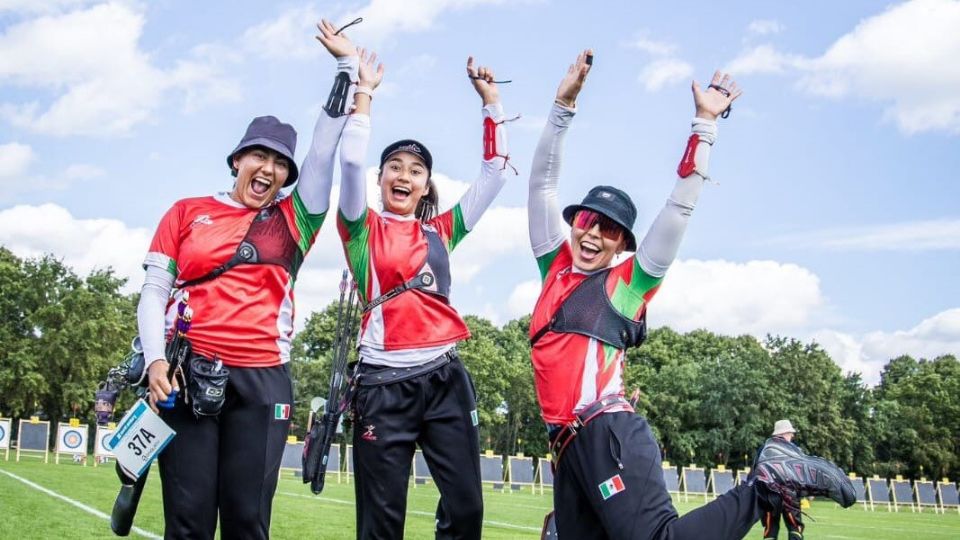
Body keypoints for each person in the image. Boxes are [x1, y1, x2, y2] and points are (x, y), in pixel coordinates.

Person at [525, 50, 855, 539]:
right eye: (588, 220)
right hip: (569, 450)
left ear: (622, 246)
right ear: (574, 222)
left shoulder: (625, 286)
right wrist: (561, 107)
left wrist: (705, 124)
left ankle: (767, 481)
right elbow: (541, 183)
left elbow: (678, 209)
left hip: (606, 434)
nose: (594, 234)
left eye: (610, 231)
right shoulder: (553, 268)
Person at [138, 20, 371, 539]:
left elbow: (324, 148)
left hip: (264, 380)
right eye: (258, 155)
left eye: (279, 163)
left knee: (247, 520)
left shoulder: (295, 218)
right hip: (188, 373)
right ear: (237, 159)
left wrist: (346, 69)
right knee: (189, 518)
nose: (268, 169)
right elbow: (154, 292)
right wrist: (156, 359)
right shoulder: (185, 211)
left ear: (288, 176)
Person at [335, 52, 512, 539]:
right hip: (382, 386)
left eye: (415, 170)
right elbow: (350, 159)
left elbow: (495, 175)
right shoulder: (359, 228)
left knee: (467, 510)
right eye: (394, 166)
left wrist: (491, 103)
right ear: (381, 178)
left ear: (425, 185)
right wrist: (364, 92)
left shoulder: (441, 231)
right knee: (381, 523)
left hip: (444, 378)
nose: (403, 175)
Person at [761, 420, 804, 540]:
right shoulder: (794, 450)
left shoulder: (764, 449)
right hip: (789, 494)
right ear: (784, 433)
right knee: (795, 528)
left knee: (770, 529)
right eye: (790, 433)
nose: (792, 436)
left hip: (768, 495)